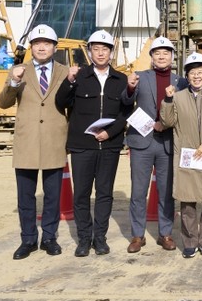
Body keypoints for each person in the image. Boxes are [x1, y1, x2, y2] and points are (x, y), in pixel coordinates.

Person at [55, 30, 130, 257]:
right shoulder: (78, 77)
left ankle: (100, 239)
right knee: (81, 194)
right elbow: (61, 102)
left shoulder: (121, 80)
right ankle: (84, 239)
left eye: (104, 49)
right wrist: (68, 81)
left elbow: (126, 112)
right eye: (95, 49)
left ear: (111, 53)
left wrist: (110, 133)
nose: (100, 53)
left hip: (109, 146)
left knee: (105, 194)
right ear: (89, 52)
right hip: (82, 145)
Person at [0, 24, 69, 260]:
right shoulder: (19, 70)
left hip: (54, 140)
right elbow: (3, 103)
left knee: (52, 195)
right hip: (27, 141)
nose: (41, 47)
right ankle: (28, 239)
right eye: (37, 43)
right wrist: (14, 82)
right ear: (31, 47)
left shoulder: (64, 72)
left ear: (55, 47)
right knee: (25, 196)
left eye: (47, 43)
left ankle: (49, 237)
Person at [121, 36, 186, 253]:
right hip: (142, 141)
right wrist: (130, 88)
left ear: (172, 57)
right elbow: (126, 102)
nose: (161, 56)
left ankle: (165, 233)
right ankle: (137, 235)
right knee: (138, 191)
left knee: (166, 192)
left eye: (166, 53)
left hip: (168, 142)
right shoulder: (140, 77)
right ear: (151, 57)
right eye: (157, 53)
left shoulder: (180, 82)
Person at [159, 52, 202, 258]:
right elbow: (167, 122)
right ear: (186, 76)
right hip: (187, 155)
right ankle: (189, 242)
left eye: (200, 72)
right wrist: (167, 100)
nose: (196, 76)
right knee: (187, 203)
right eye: (192, 73)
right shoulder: (177, 97)